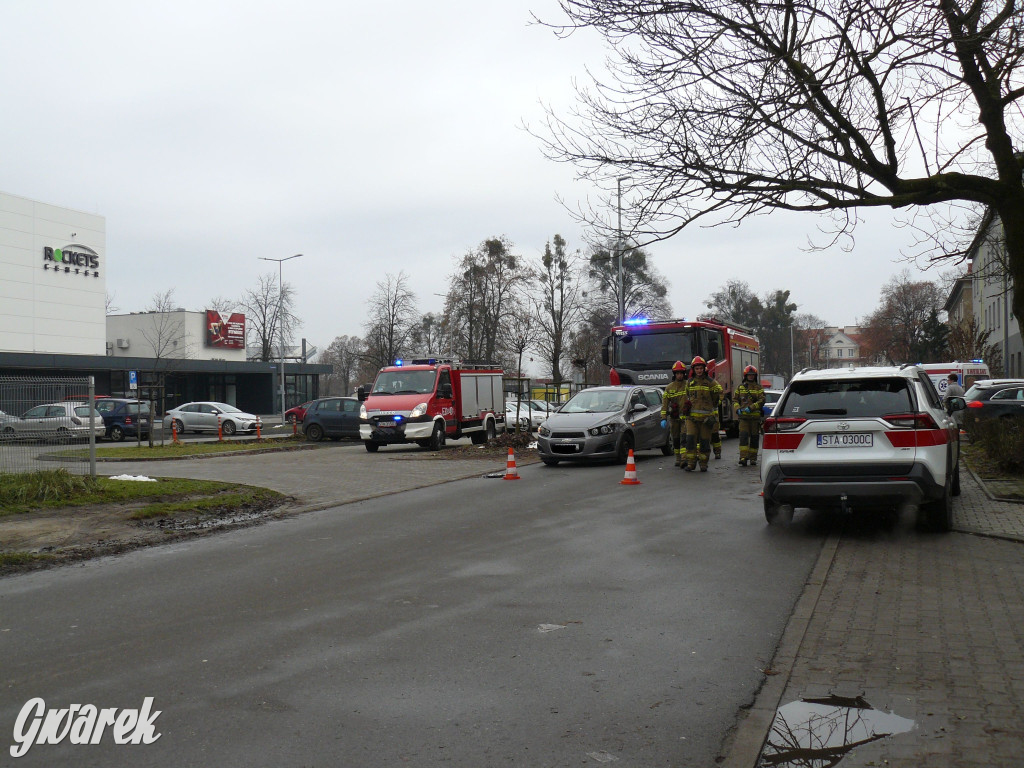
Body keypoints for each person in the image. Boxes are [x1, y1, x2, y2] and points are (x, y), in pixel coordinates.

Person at [683, 356, 723, 472]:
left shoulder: (711, 383)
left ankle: (703, 463)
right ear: (693, 369)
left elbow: (720, 395)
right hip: (692, 418)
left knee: (705, 442)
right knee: (690, 440)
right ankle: (691, 463)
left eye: (701, 368)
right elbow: (687, 396)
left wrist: (716, 403)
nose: (699, 371)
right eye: (697, 369)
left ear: (704, 369)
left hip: (706, 419)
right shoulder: (690, 382)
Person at [733, 365, 766, 466]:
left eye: (752, 375)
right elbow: (735, 400)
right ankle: (743, 457)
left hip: (755, 418)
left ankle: (753, 458)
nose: (751, 377)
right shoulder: (740, 387)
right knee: (743, 437)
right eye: (749, 375)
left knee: (754, 438)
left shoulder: (759, 388)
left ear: (755, 376)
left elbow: (762, 400)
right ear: (745, 375)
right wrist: (737, 408)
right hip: (743, 418)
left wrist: (751, 408)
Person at [660, 361, 689, 467]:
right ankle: (678, 458)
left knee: (684, 437)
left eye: (681, 373)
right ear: (674, 374)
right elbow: (665, 405)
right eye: (677, 373)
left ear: (684, 373)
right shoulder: (669, 388)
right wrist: (663, 418)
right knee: (676, 439)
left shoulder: (688, 385)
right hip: (674, 418)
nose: (679, 375)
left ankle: (684, 459)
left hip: (686, 418)